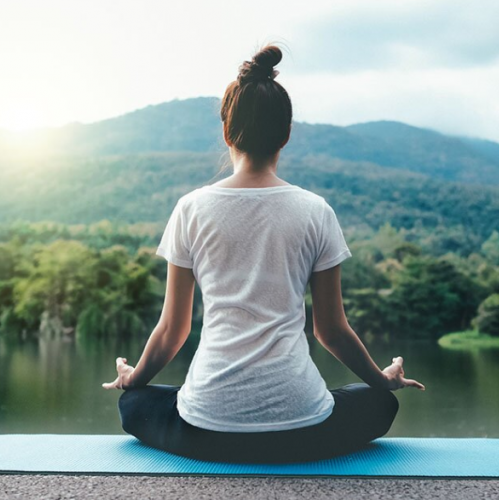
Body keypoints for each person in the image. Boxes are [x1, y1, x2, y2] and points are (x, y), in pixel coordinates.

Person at [102, 43, 425, 464]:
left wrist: (133, 380)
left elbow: (172, 330)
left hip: (206, 430)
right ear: (286, 134)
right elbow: (331, 330)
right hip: (302, 431)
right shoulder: (316, 210)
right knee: (380, 404)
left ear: (226, 132)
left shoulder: (191, 208)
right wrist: (382, 382)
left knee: (135, 405)